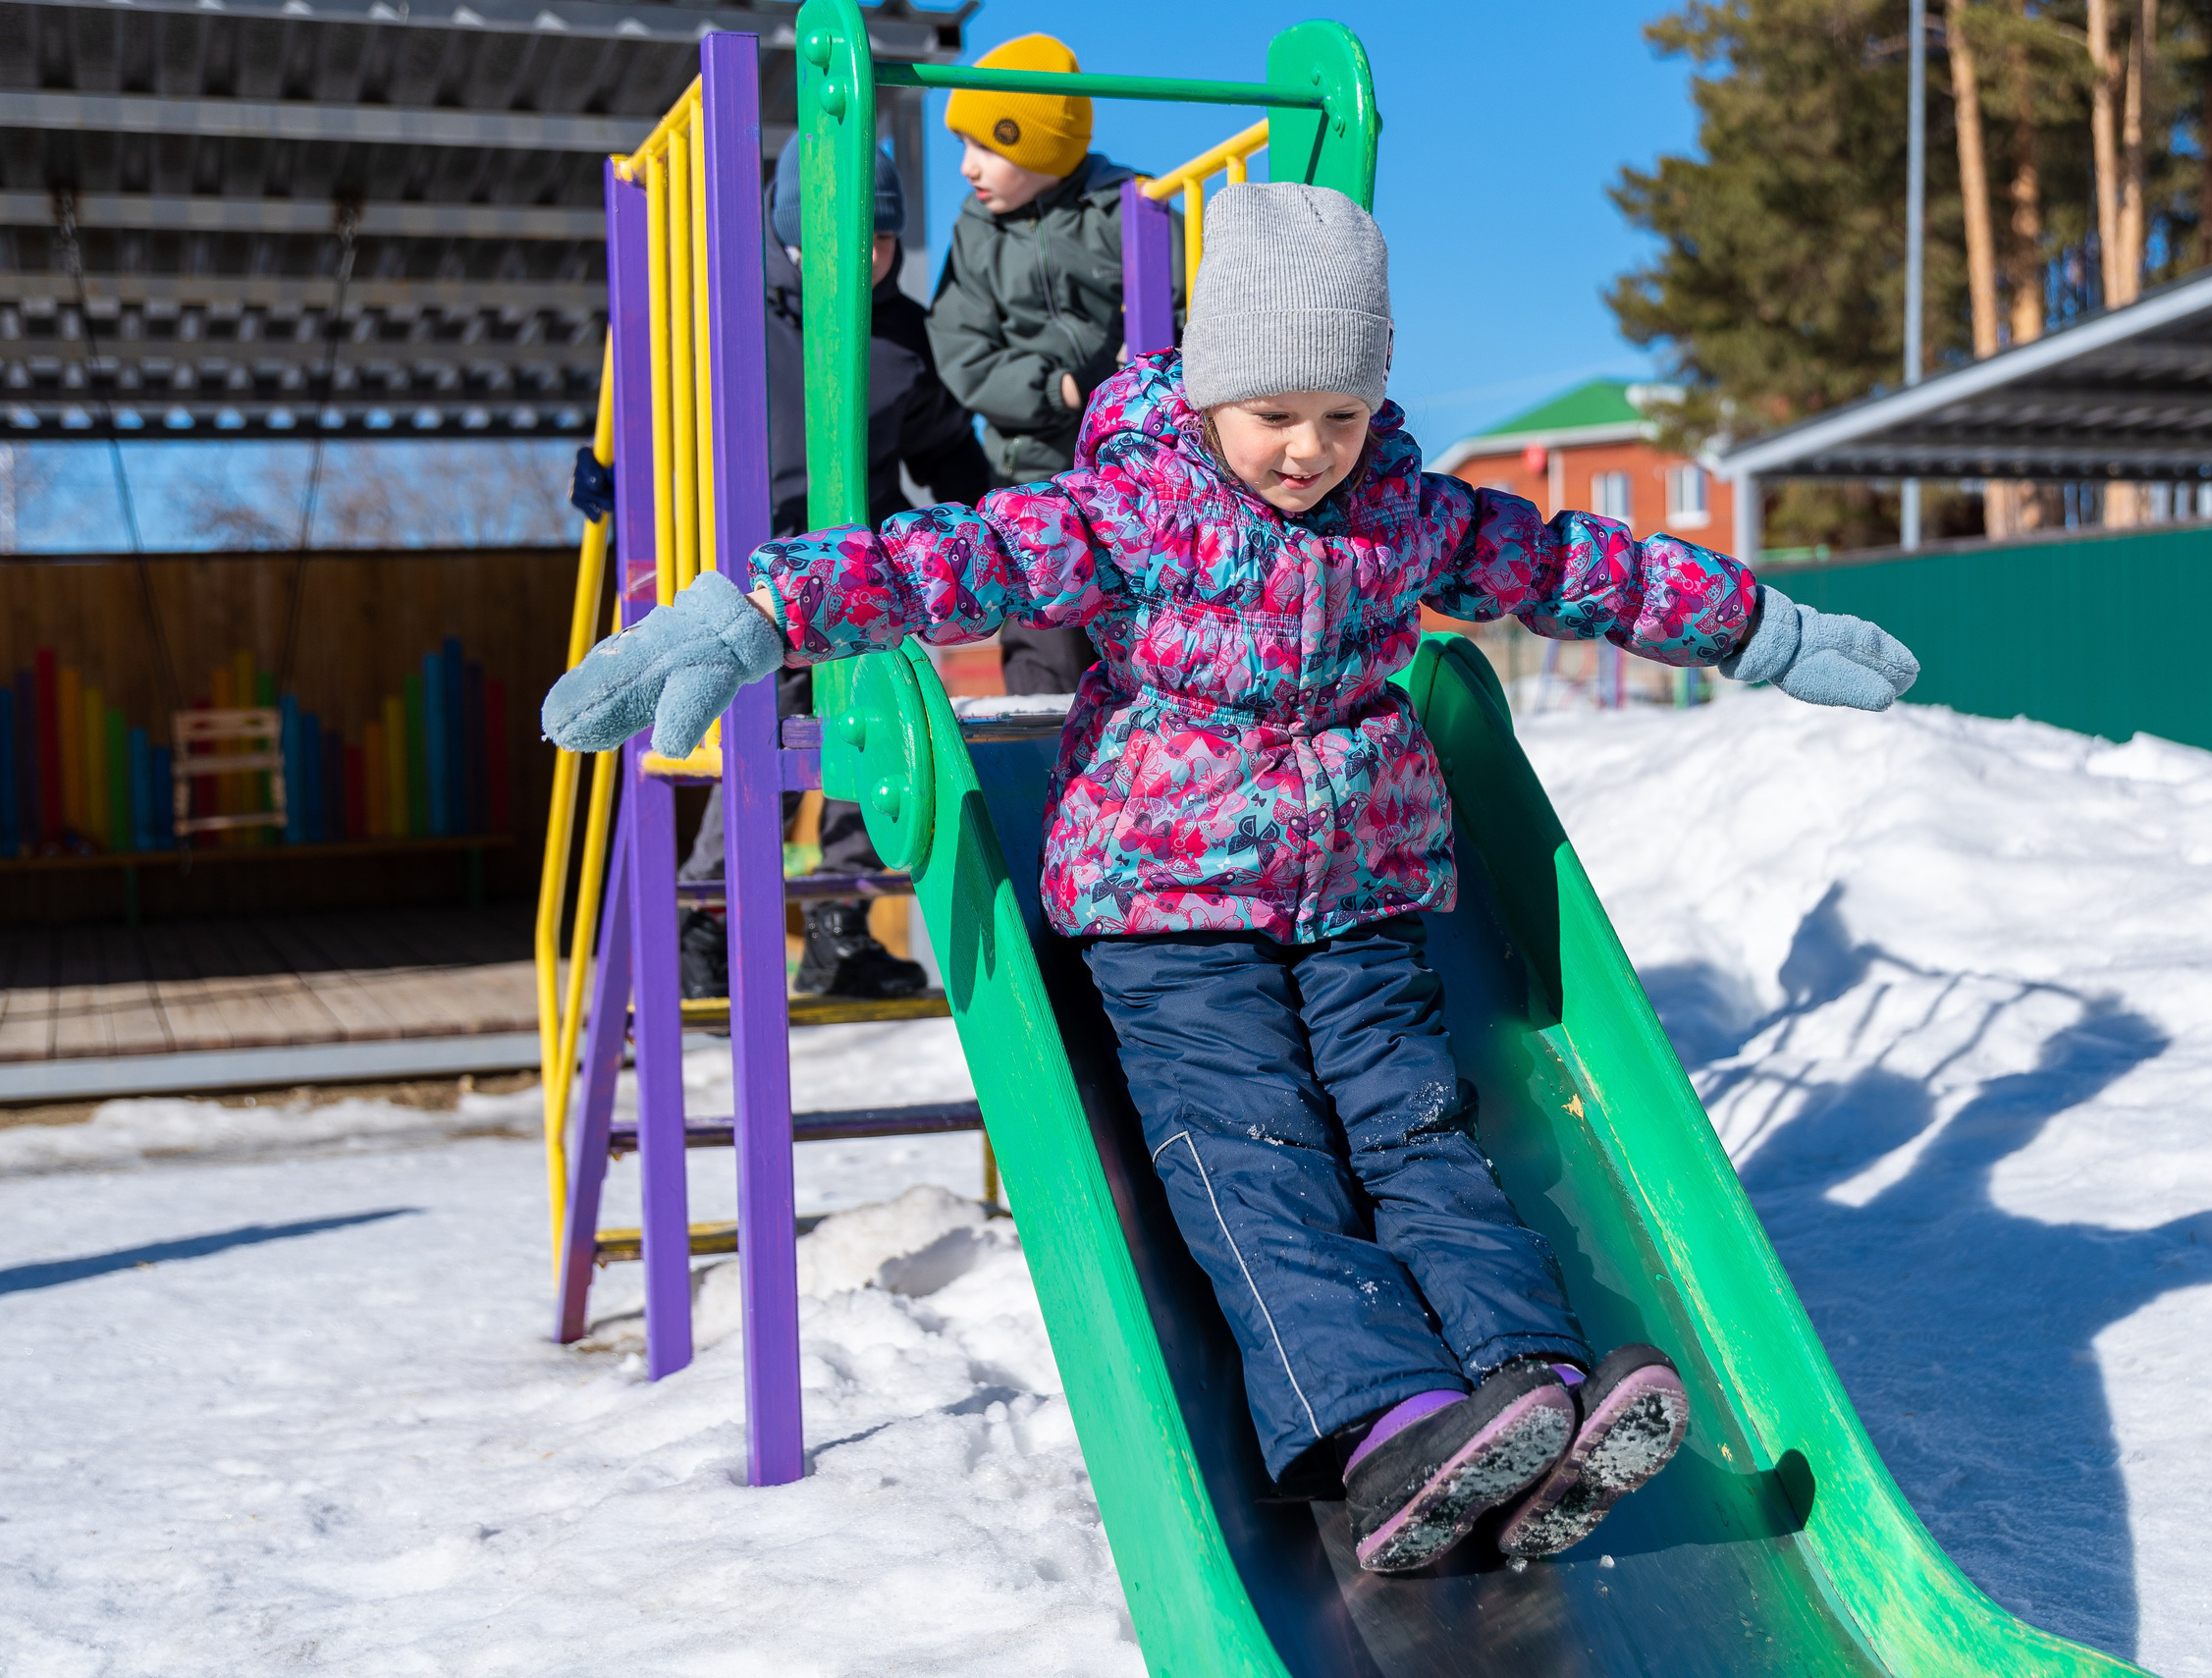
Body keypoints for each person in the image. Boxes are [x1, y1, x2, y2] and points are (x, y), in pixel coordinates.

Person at [542, 185, 1918, 1571]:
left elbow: (1574, 564)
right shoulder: (1136, 502)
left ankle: (1533, 1388)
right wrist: (761, 608)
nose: (1310, 451)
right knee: (1254, 1147)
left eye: (1343, 414)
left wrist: (1757, 625)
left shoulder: (1407, 510)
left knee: (1418, 1131)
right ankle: (1382, 1425)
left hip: (1363, 888)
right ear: (1206, 393)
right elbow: (960, 557)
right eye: (1276, 417)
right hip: (1169, 900)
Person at [572, 142, 986, 999]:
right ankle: (705, 922)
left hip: (857, 581)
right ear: (790, 235)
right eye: (845, 240)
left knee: (869, 734)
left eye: (881, 240)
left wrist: (984, 513)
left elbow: (944, 443)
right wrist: (618, 475)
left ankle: (839, 928)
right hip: (750, 584)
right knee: (759, 739)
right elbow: (665, 410)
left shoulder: (901, 335)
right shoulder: (731, 318)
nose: (866, 259)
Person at [926, 31, 1175, 698]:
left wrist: (1145, 362)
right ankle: (1043, 765)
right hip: (1034, 467)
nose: (967, 168)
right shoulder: (975, 234)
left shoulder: (1127, 208)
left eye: (986, 146)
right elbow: (961, 347)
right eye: (963, 147)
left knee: (1145, 627)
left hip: (1134, 468)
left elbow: (1190, 295)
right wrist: (1060, 387)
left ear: (1036, 144)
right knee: (1044, 635)